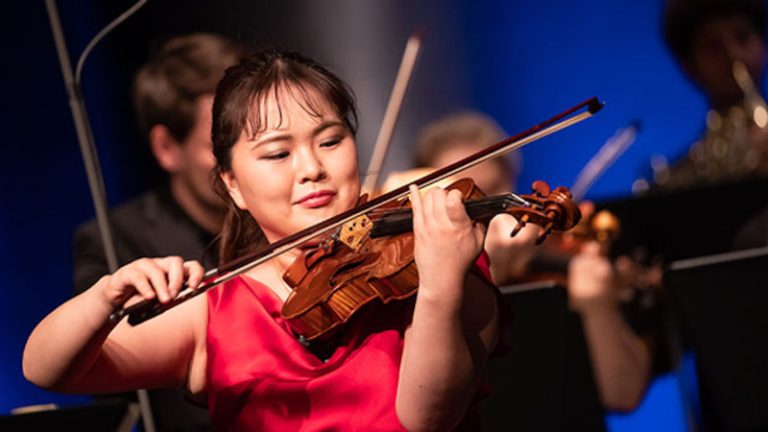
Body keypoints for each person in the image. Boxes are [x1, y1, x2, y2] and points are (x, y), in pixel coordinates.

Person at [24, 50, 502, 431]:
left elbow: (428, 418)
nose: (312, 168)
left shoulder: (440, 264)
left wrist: (440, 284)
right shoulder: (214, 310)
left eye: (331, 141)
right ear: (232, 183)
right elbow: (47, 369)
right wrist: (107, 294)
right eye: (277, 153)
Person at [399, 112, 654, 429]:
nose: (485, 210)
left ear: (513, 180)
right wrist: (479, 276)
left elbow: (624, 394)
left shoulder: (567, 268)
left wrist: (598, 306)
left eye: (492, 190)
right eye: (463, 197)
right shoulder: (413, 291)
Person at [71, 33, 242, 431]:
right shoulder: (116, 242)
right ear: (167, 147)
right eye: (218, 145)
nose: (240, 161)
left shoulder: (287, 216)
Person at [658, 0, 768, 189]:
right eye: (713, 47)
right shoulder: (679, 182)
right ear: (690, 68)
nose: (734, 55)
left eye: (742, 37)